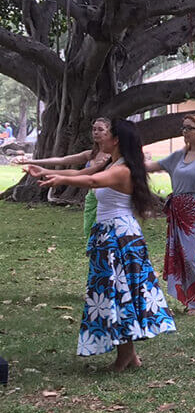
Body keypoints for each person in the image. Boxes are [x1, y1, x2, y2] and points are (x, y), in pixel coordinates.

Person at [28, 119, 176, 370]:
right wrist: (48, 173)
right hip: (111, 234)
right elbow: (82, 174)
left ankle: (124, 357)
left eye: (106, 133)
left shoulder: (123, 169)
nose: (101, 137)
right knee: (118, 293)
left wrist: (58, 181)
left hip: (119, 237)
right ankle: (131, 357)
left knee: (118, 293)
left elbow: (93, 182)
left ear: (116, 139)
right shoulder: (111, 162)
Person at [146, 114, 195, 314]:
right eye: (183, 128)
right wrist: (125, 160)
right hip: (179, 207)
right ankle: (192, 300)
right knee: (182, 255)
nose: (184, 132)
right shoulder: (179, 155)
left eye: (188, 128)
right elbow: (152, 167)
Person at [14, 118, 112, 236]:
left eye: (100, 129)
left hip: (108, 199)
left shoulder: (114, 156)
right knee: (90, 234)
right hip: (92, 198)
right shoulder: (90, 154)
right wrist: (32, 162)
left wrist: (44, 171)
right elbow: (62, 160)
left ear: (110, 132)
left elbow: (82, 174)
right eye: (94, 129)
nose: (96, 132)